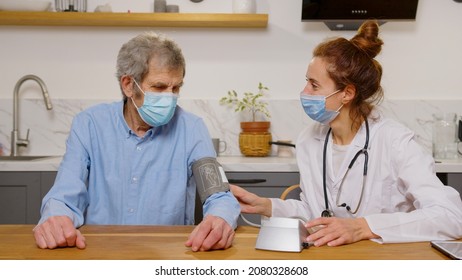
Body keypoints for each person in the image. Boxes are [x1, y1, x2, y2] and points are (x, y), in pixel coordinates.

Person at [231, 20, 462, 247]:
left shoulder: (394, 141)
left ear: (347, 93)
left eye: (314, 85)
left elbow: (450, 216)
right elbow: (316, 212)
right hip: (332, 259)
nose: (304, 92)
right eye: (306, 83)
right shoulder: (309, 140)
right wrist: (267, 206)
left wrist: (365, 227)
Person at [33, 32, 240, 252]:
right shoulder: (89, 125)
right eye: (159, 87)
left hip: (169, 256)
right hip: (100, 253)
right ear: (128, 85)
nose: (170, 97)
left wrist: (221, 217)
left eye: (176, 88)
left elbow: (219, 194)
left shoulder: (192, 129)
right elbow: (64, 194)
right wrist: (56, 218)